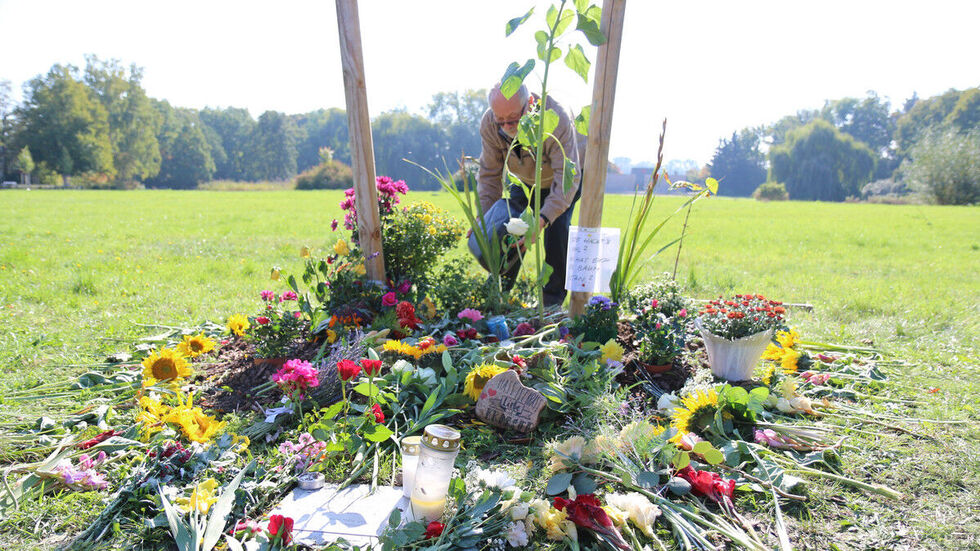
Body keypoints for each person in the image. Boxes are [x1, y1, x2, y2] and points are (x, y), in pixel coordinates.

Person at [468, 83, 584, 307]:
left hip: (567, 176)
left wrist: (542, 220)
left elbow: (566, 179)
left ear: (530, 103)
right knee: (506, 225)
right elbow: (490, 175)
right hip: (524, 178)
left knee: (556, 232)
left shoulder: (555, 117)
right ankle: (500, 295)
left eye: (513, 119)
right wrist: (483, 218)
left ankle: (551, 305)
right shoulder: (490, 123)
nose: (506, 126)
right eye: (500, 120)